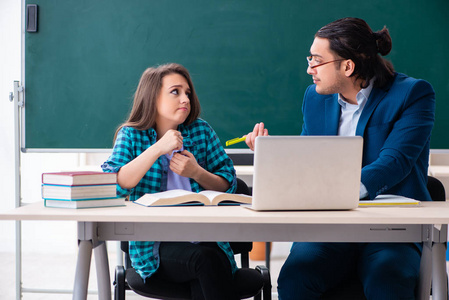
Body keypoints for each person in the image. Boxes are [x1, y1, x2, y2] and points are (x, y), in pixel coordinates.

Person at [245, 18, 435, 300]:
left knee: (387, 281)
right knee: (295, 278)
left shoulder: (412, 94)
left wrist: (338, 193)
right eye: (310, 58)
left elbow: (395, 162)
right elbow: (310, 161)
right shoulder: (315, 98)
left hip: (390, 229)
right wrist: (274, 157)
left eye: (317, 60)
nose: (309, 68)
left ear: (347, 66)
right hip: (330, 229)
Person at [101, 63, 239, 300]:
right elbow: (113, 184)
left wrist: (197, 173)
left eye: (187, 93)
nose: (185, 98)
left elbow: (229, 183)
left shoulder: (201, 131)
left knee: (207, 265)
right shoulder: (132, 134)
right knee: (206, 261)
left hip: (205, 237)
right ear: (152, 97)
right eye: (175, 92)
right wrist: (157, 148)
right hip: (156, 246)